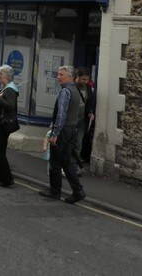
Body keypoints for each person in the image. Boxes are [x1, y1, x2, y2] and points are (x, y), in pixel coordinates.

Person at [39, 64, 85, 204]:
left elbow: (61, 114)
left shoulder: (66, 92)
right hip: (71, 130)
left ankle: (55, 191)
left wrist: (55, 133)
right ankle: (78, 191)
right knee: (66, 162)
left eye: (61, 75)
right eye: (58, 74)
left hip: (63, 131)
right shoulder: (76, 90)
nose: (58, 77)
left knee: (55, 161)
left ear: (69, 77)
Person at [73, 67, 95, 171]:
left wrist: (90, 112)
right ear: (77, 77)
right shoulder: (71, 87)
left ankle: (75, 167)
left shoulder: (88, 88)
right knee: (68, 144)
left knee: (78, 143)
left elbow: (88, 103)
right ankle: (65, 166)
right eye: (83, 79)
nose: (85, 82)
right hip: (71, 120)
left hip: (82, 120)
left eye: (87, 79)